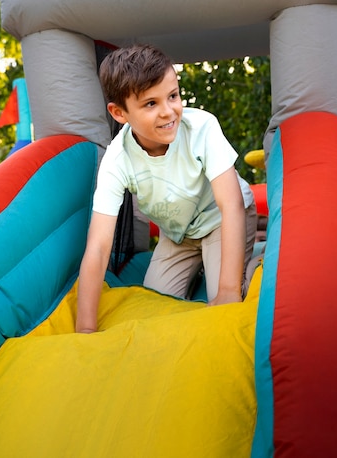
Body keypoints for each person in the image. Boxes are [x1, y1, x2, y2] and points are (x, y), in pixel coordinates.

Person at [76, 44, 257, 334]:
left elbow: (231, 205)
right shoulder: (117, 159)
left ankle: (256, 265)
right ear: (119, 113)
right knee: (155, 305)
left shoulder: (201, 128)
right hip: (179, 235)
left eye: (173, 96)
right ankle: (199, 263)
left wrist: (227, 289)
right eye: (151, 104)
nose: (168, 112)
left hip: (220, 221)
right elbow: (98, 246)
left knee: (224, 300)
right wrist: (84, 328)